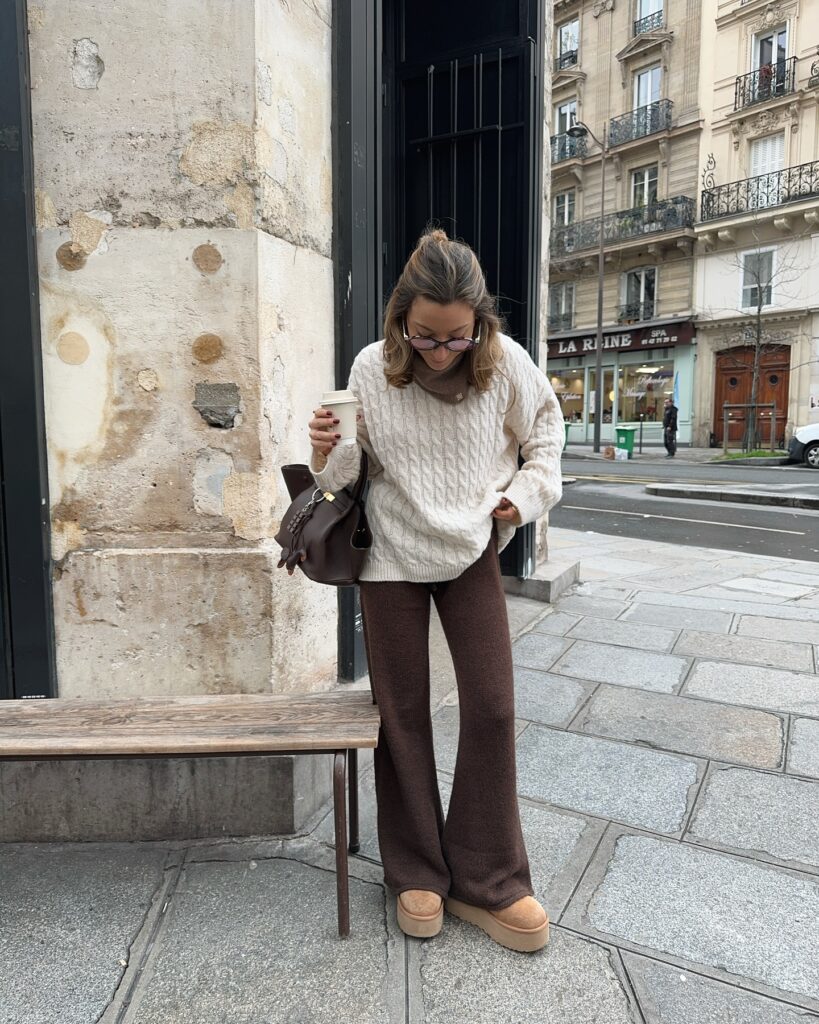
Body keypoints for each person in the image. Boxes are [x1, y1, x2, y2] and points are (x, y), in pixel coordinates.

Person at [305, 229, 563, 953]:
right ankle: (414, 871)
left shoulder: (506, 363)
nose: (440, 350)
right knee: (401, 713)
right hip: (389, 554)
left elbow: (545, 435)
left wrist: (524, 494)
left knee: (491, 705)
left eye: (456, 336)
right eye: (424, 336)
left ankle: (490, 879)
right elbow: (341, 482)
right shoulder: (369, 369)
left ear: (478, 322)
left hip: (471, 548)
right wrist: (324, 449)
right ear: (400, 319)